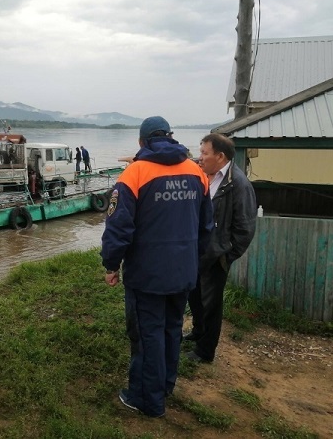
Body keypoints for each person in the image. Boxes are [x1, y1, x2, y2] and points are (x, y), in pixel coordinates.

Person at [101, 116, 213, 418]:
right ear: (171, 136)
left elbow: (118, 228)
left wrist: (111, 264)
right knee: (171, 330)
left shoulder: (134, 173)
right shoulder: (196, 172)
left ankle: (146, 400)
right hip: (183, 273)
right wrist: (193, 261)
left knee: (147, 334)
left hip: (147, 275)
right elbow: (206, 227)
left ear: (142, 142)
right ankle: (164, 386)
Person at [185, 133, 257, 363]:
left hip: (216, 256)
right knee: (195, 296)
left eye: (204, 153)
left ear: (220, 156)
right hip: (198, 252)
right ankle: (198, 332)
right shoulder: (205, 175)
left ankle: (205, 351)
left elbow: (245, 228)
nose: (200, 157)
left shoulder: (238, 184)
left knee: (211, 304)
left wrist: (225, 255)